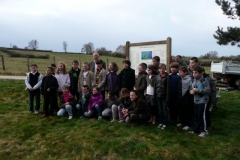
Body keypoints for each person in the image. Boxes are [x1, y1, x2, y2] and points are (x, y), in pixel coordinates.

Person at [189, 66, 210, 138]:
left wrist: (198, 90)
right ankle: (195, 129)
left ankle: (204, 131)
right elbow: (191, 89)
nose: (194, 74)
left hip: (203, 101)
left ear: (201, 73)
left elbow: (208, 91)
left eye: (196, 73)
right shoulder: (192, 80)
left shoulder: (204, 80)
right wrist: (191, 92)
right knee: (196, 116)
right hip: (195, 100)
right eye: (193, 73)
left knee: (202, 116)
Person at [177, 66, 192, 131]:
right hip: (179, 97)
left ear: (185, 72)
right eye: (179, 72)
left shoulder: (189, 79)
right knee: (180, 111)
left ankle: (187, 124)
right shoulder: (179, 78)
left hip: (186, 97)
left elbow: (191, 88)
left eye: (181, 72)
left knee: (187, 111)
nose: (179, 73)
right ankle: (182, 122)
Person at [202, 67, 216, 131]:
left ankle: (208, 126)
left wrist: (212, 101)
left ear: (202, 72)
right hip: (199, 99)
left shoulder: (208, 79)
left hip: (207, 99)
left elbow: (213, 90)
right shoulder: (198, 78)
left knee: (206, 113)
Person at [157, 63, 169, 130]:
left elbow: (168, 89)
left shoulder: (167, 77)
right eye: (160, 69)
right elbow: (156, 86)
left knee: (164, 110)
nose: (161, 70)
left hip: (164, 96)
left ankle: (165, 123)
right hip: (158, 96)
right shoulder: (157, 76)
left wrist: (167, 97)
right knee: (160, 110)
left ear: (165, 69)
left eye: (163, 69)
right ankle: (161, 122)